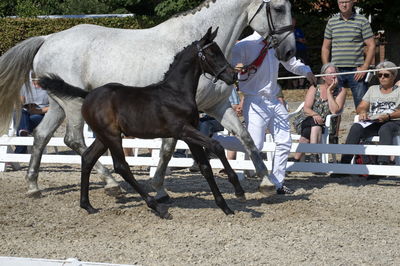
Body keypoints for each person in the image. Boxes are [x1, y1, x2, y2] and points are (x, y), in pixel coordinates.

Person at [214, 31, 317, 195]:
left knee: (284, 142)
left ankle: (277, 183)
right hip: (254, 100)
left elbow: (290, 63)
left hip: (274, 98)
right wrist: (234, 67)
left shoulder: (277, 43)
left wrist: (306, 71)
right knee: (256, 145)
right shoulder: (244, 45)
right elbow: (224, 65)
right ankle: (216, 140)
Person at [331, 61, 400, 177]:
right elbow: (361, 106)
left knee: (385, 129)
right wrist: (362, 112)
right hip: (375, 121)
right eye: (379, 75)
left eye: (386, 75)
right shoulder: (372, 89)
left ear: (394, 76)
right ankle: (344, 164)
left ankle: (381, 166)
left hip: (393, 121)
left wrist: (388, 116)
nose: (382, 78)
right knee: (356, 127)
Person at [321, 0, 375, 109]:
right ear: (337, 3)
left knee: (362, 107)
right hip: (335, 71)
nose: (344, 5)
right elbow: (325, 47)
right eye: (341, 2)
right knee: (333, 107)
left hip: (356, 70)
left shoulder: (362, 21)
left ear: (352, 3)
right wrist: (327, 69)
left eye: (346, 2)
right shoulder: (331, 22)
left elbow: (372, 45)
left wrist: (365, 67)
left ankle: (363, 126)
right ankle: (333, 126)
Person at [293, 63, 347, 162]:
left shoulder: (341, 90)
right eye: (331, 73)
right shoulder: (314, 87)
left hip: (327, 124)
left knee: (310, 130)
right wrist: (315, 115)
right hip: (307, 119)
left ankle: (297, 160)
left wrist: (329, 92)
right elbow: (306, 108)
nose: (334, 75)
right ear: (323, 77)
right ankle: (315, 156)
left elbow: (334, 110)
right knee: (315, 123)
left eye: (335, 73)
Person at [14, 72, 49, 154]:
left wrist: (38, 111)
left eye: (38, 82)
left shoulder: (49, 89)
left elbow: (54, 107)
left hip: (40, 112)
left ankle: (19, 152)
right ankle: (24, 130)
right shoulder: (25, 86)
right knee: (20, 114)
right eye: (34, 82)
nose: (36, 85)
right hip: (26, 112)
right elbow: (20, 102)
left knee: (24, 123)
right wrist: (21, 104)